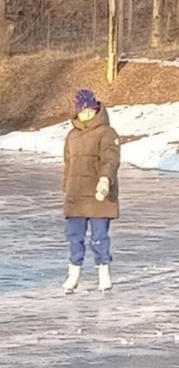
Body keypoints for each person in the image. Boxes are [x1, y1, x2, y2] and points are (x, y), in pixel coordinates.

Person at [62, 89, 120, 294]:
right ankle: (73, 274)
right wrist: (66, 189)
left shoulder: (107, 133)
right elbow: (68, 165)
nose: (85, 113)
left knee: (99, 236)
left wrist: (105, 180)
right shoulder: (72, 135)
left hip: (99, 194)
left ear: (95, 109)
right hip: (76, 194)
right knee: (74, 236)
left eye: (89, 109)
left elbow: (110, 159)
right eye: (82, 110)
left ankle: (104, 274)